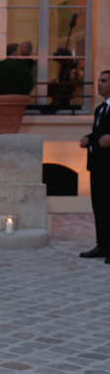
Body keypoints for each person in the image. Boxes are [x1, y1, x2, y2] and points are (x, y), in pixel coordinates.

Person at [79, 69, 110, 262]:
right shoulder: (100, 109)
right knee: (99, 207)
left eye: (104, 81)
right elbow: (98, 133)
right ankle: (102, 246)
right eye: (99, 81)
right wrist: (87, 139)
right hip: (97, 167)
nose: (99, 84)